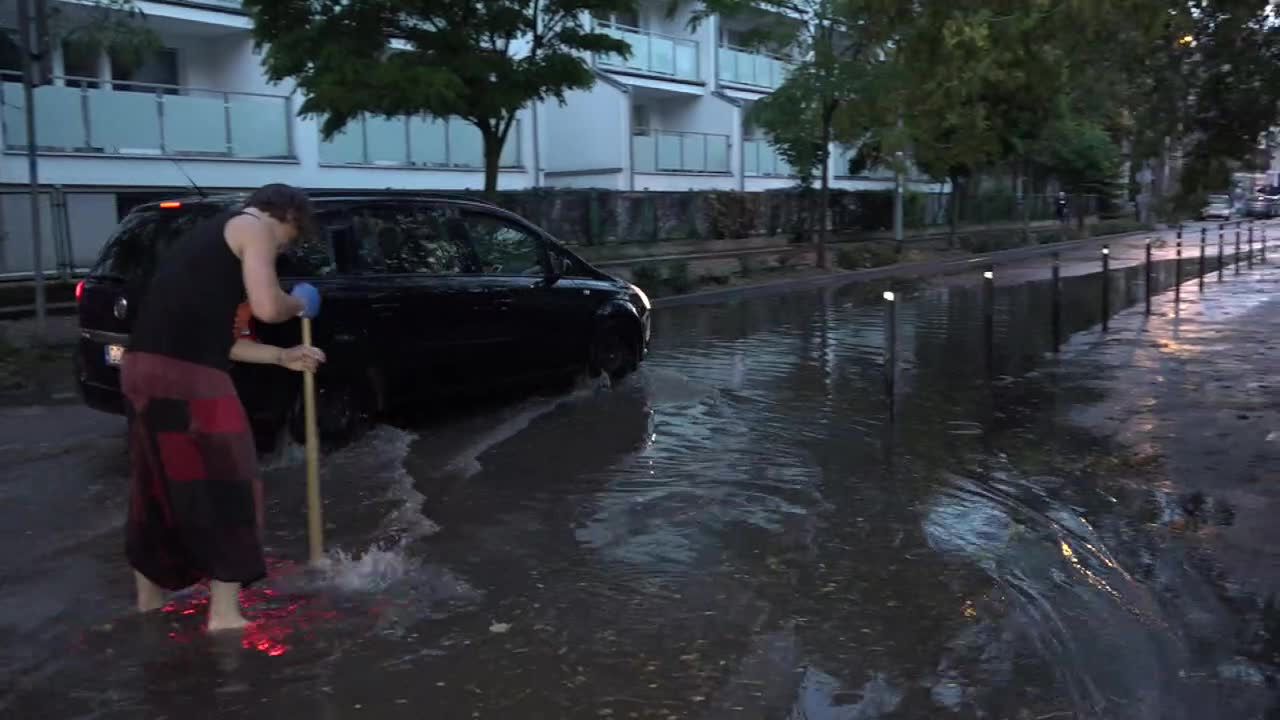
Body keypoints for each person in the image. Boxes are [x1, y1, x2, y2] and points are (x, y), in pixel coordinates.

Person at [121, 183, 326, 632]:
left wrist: (281, 356)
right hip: (188, 377)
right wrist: (301, 303)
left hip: (144, 368)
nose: (285, 246)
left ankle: (149, 600)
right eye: (292, 237)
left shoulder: (208, 238)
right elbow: (270, 307)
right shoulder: (255, 227)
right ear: (288, 217)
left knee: (158, 486)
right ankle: (225, 615)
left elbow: (219, 342)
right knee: (230, 480)